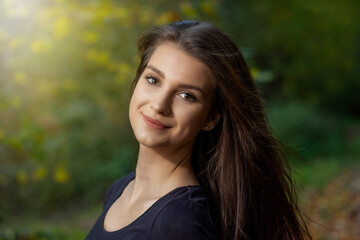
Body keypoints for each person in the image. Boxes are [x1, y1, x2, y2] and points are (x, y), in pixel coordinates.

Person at [85, 20, 311, 240]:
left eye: (186, 96)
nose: (159, 105)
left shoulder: (181, 223)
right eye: (153, 80)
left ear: (211, 118)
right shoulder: (120, 190)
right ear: (138, 79)